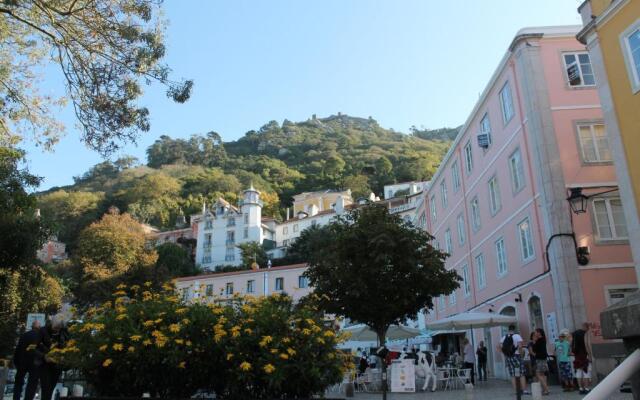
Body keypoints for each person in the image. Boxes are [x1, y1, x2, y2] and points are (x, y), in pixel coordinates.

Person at [12, 320, 46, 400]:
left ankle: (16, 398)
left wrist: (16, 362)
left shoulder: (24, 335)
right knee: (32, 384)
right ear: (39, 328)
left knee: (18, 383)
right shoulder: (40, 337)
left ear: (32, 327)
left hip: (22, 363)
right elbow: (42, 350)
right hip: (34, 363)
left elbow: (18, 349)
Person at [41, 314, 70, 400]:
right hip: (45, 364)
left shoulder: (64, 332)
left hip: (57, 364)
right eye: (55, 327)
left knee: (51, 388)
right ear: (51, 323)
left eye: (58, 327)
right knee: (45, 388)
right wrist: (44, 356)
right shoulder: (43, 331)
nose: (56, 330)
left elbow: (68, 345)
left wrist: (65, 355)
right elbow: (35, 346)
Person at [498, 324, 529, 395]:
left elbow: (499, 347)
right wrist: (521, 355)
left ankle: (516, 391)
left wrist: (505, 354)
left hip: (508, 357)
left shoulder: (504, 337)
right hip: (517, 356)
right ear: (514, 329)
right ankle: (524, 390)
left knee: (513, 375)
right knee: (521, 374)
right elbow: (520, 346)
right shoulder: (517, 336)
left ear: (508, 330)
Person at [573, 322, 593, 394]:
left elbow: (571, 344)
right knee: (586, 372)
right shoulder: (586, 333)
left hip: (577, 355)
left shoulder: (575, 333)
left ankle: (580, 388)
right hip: (585, 355)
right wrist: (590, 355)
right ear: (587, 327)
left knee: (578, 372)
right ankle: (586, 388)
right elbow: (587, 344)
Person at [529, 328, 550, 395]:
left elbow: (534, 349)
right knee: (543, 374)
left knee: (538, 374)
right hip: (543, 358)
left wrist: (535, 341)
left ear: (539, 333)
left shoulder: (539, 340)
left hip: (540, 358)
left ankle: (546, 389)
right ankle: (544, 390)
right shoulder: (543, 339)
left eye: (535, 332)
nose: (535, 333)